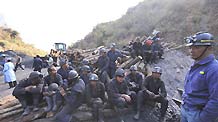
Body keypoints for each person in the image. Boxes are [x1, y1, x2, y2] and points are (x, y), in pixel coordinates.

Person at [181, 32, 218, 122]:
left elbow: (216, 99)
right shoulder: (197, 65)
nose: (191, 50)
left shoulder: (214, 69)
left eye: (197, 47)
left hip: (198, 114)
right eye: (191, 47)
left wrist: (203, 118)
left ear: (209, 48)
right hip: (186, 109)